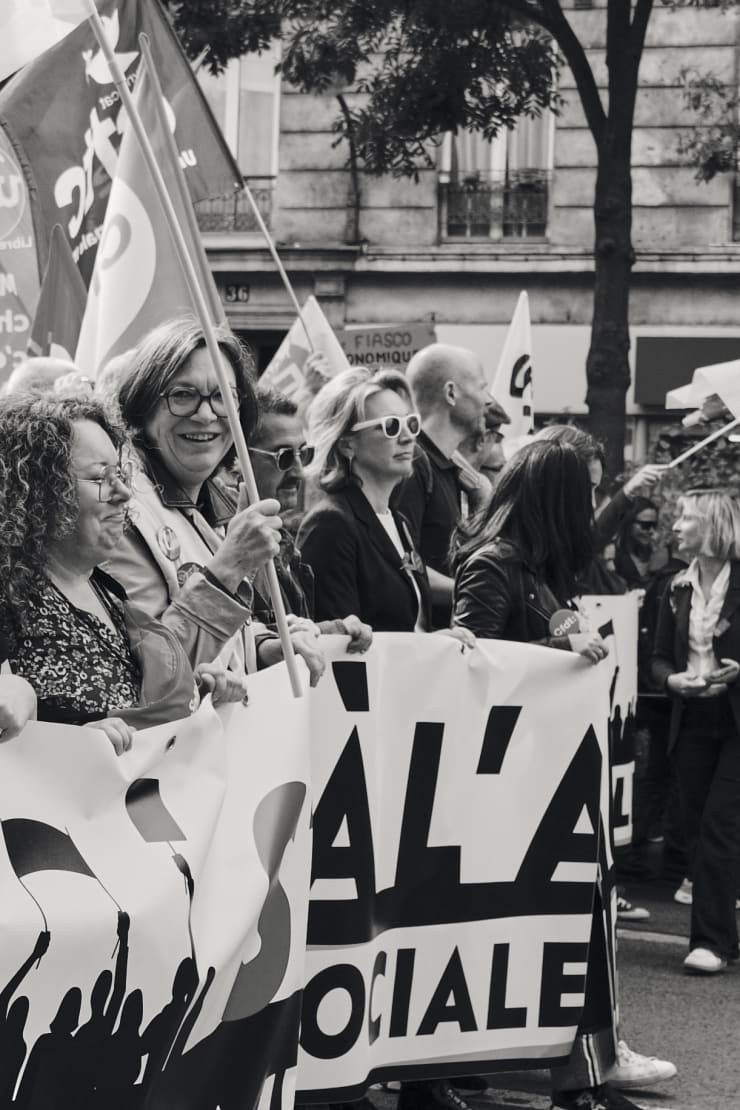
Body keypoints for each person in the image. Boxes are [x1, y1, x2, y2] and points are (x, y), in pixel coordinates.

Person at [451, 439, 662, 1110]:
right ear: (559, 502)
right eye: (588, 496)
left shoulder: (533, 569)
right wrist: (558, 646)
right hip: (514, 783)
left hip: (546, 775)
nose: (595, 507)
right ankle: (570, 1078)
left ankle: (583, 1074)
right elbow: (469, 665)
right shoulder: (493, 566)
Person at [296, 366, 474, 1110]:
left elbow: (412, 598)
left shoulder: (393, 516)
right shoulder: (331, 523)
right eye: (391, 428)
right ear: (347, 442)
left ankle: (411, 1070)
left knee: (413, 904)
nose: (409, 439)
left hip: (399, 739)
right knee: (363, 909)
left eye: (410, 425)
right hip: (359, 745)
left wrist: (453, 628)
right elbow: (339, 639)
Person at [0, 397, 246, 754]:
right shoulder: (8, 595)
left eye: (121, 474)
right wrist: (74, 745)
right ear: (37, 490)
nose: (124, 492)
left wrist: (193, 701)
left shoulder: (107, 590)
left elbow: (131, 710)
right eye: (101, 477)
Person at [107, 317, 327, 686]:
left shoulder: (214, 505)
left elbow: (218, 641)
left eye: (223, 397)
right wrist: (229, 567)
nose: (206, 414)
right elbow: (147, 673)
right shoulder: (118, 509)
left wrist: (264, 649)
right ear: (143, 407)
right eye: (182, 395)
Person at [652, 489, 740, 974]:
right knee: (694, 832)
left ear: (712, 526)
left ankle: (710, 943)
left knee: (718, 829)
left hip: (735, 721)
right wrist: (672, 679)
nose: (677, 525)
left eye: (686, 517)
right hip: (691, 721)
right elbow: (659, 657)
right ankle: (722, 934)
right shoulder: (673, 587)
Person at [246, 385, 372, 651]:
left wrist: (338, 631)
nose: (299, 472)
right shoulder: (220, 545)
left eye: (304, 454)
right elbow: (244, 649)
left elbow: (293, 638)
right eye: (284, 457)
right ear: (237, 459)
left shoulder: (285, 545)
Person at [393, 343, 494, 628]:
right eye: (482, 387)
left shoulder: (448, 468)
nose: (488, 400)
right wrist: (475, 591)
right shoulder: (410, 462)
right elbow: (401, 564)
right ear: (451, 393)